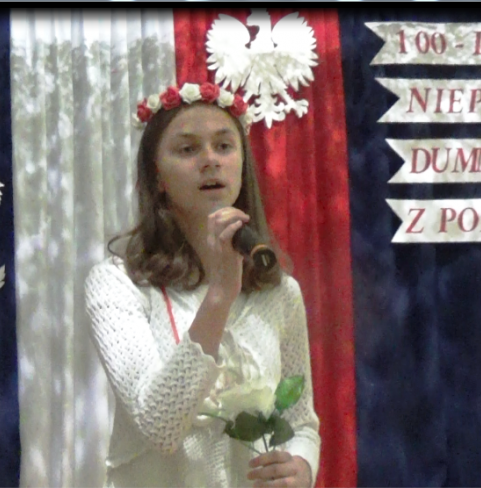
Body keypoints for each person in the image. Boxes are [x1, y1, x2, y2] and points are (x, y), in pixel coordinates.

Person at [84, 82, 320, 488]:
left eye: (224, 146)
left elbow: (301, 423)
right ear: (157, 176)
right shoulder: (117, 283)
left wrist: (302, 467)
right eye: (187, 149)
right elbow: (160, 425)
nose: (210, 160)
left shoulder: (281, 293)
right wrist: (220, 296)